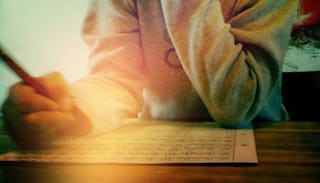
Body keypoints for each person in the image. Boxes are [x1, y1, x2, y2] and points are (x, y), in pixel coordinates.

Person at [1, 0, 300, 149]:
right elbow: (117, 80)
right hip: (157, 147)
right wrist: (67, 107)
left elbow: (239, 105)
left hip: (265, 147)